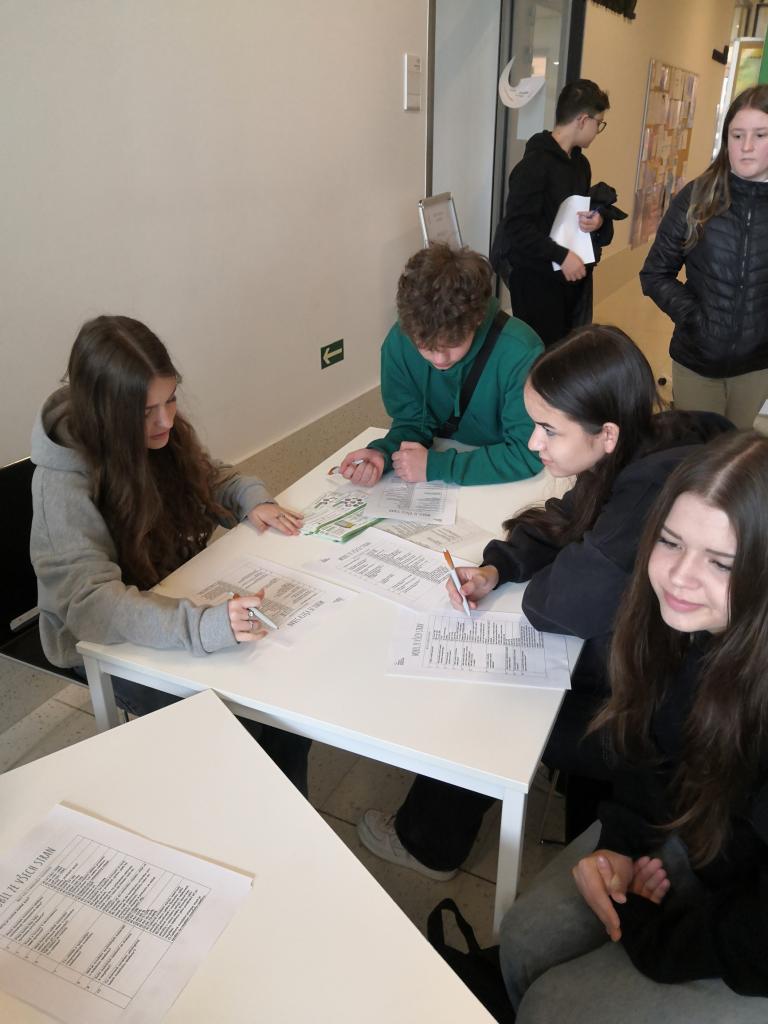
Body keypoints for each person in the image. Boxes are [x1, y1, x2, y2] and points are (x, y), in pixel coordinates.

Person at [358, 325, 731, 880]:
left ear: (605, 433)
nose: (534, 444)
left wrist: (548, 572)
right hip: (656, 673)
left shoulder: (647, 494)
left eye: (548, 430)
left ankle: (428, 844)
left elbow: (558, 606)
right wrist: (498, 567)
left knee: (491, 703)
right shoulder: (648, 439)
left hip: (666, 725)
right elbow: (567, 515)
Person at [499, 430, 768, 1022]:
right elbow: (648, 753)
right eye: (670, 542)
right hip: (705, 836)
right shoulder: (678, 629)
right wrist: (619, 844)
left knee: (555, 1007)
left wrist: (650, 931)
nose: (679, 577)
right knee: (522, 938)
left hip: (749, 915)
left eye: (721, 562)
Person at [30, 315, 311, 792]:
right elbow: (93, 605)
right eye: (146, 412)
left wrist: (251, 498)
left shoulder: (159, 431)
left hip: (169, 592)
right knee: (239, 730)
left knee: (285, 709)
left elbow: (209, 477)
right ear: (107, 414)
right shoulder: (60, 483)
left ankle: (285, 812)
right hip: (104, 637)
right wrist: (200, 628)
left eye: (171, 399)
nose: (166, 420)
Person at [338, 243, 543, 487]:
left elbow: (528, 452)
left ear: (477, 320)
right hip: (448, 464)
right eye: (425, 346)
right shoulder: (399, 342)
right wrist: (384, 452)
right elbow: (413, 422)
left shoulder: (521, 351)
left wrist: (439, 466)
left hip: (505, 479)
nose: (439, 359)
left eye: (453, 344)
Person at [640, 85, 768, 430]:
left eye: (760, 135)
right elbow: (654, 273)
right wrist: (696, 318)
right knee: (696, 449)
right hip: (697, 360)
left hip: (757, 365)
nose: (746, 146)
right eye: (737, 135)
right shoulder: (698, 196)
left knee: (734, 449)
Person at [491, 79, 614, 347]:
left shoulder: (580, 164)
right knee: (541, 356)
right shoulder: (534, 165)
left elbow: (573, 213)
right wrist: (562, 256)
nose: (598, 131)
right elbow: (518, 228)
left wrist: (596, 219)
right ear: (583, 120)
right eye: (599, 124)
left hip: (567, 279)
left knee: (564, 352)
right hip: (535, 280)